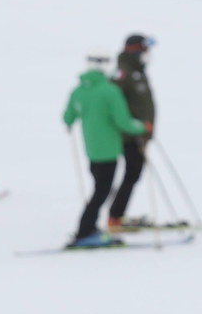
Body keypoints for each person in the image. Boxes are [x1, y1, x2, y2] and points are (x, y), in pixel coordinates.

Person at [63, 54, 146, 247]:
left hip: (91, 150)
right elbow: (123, 122)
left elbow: (68, 116)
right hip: (108, 150)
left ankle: (89, 228)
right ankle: (84, 231)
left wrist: (71, 121)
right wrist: (142, 127)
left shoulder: (79, 90)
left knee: (100, 189)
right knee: (101, 192)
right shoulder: (110, 91)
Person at [106, 34, 157, 231]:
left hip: (141, 134)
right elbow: (115, 105)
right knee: (132, 174)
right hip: (130, 136)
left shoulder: (137, 72)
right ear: (136, 50)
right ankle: (115, 218)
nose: (148, 54)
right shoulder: (123, 73)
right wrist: (133, 128)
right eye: (145, 50)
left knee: (133, 174)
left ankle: (117, 215)